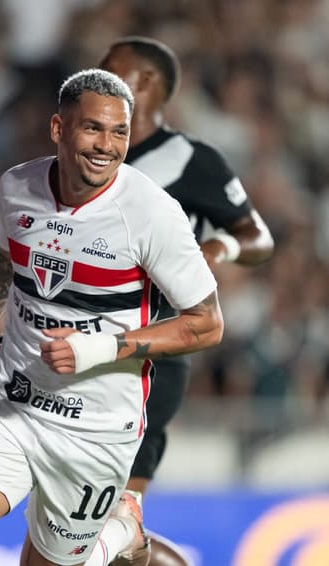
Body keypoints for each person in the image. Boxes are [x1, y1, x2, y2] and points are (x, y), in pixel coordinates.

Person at [0, 68, 225, 566]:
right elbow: (0, 262)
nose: (107, 145)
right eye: (93, 128)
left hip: (95, 426)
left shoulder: (151, 213)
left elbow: (207, 323)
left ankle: (122, 531)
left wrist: (99, 348)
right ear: (59, 128)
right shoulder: (17, 187)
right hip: (11, 398)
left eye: (119, 132)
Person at [98, 36, 275, 566]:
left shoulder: (190, 160)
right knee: (87, 530)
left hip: (153, 354)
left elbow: (258, 235)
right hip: (88, 351)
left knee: (117, 525)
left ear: (145, 83)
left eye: (111, 69)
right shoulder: (92, 154)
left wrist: (219, 245)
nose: (98, 75)